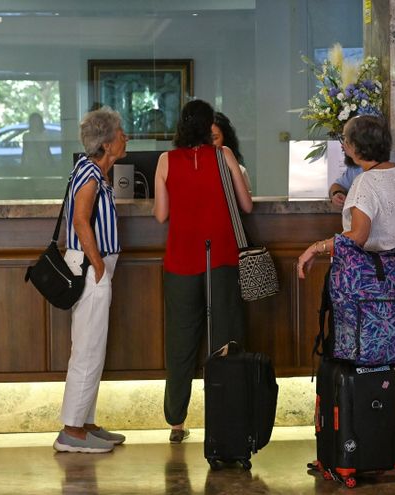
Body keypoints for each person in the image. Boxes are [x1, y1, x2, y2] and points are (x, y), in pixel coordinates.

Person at [297, 115, 395, 433]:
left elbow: (357, 236)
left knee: (350, 354)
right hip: (394, 285)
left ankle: (352, 436)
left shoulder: (366, 184)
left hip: (359, 292)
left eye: (345, 139)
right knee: (390, 355)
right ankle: (391, 431)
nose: (343, 144)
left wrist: (315, 248)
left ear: (356, 148)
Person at [154, 100, 253, 443]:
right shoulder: (224, 155)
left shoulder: (166, 161)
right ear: (209, 125)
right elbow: (246, 205)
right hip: (221, 258)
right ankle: (225, 417)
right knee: (224, 337)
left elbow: (161, 215)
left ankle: (176, 421)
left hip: (181, 260)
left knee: (181, 340)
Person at [54, 107, 127, 454]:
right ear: (108, 143)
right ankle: (71, 430)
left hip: (93, 268)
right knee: (87, 349)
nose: (126, 137)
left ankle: (85, 422)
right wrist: (98, 264)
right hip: (89, 268)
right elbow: (81, 220)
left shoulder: (95, 172)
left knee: (93, 347)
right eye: (121, 133)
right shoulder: (89, 174)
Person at [211, 112, 252, 193]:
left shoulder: (239, 171)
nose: (210, 143)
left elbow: (247, 205)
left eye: (215, 138)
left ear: (225, 138)